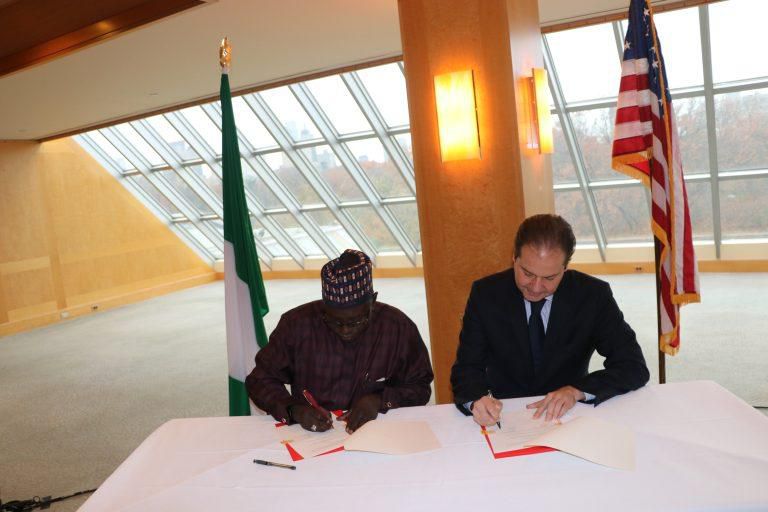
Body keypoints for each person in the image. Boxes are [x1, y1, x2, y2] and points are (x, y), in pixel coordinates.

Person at [450, 214, 649, 426]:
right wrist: (476, 401)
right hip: (505, 415)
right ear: (514, 259)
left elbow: (632, 365)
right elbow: (467, 368)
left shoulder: (593, 296)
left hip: (569, 415)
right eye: (527, 273)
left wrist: (577, 391)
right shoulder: (486, 295)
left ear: (565, 268)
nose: (536, 287)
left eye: (549, 278)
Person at [246, 249, 433, 434]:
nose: (345, 330)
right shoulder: (296, 324)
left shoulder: (397, 327)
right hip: (311, 436)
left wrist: (379, 400)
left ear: (373, 302)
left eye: (356, 321)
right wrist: (294, 410)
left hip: (378, 433)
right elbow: (260, 380)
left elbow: (420, 386)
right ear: (323, 306)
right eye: (334, 321)